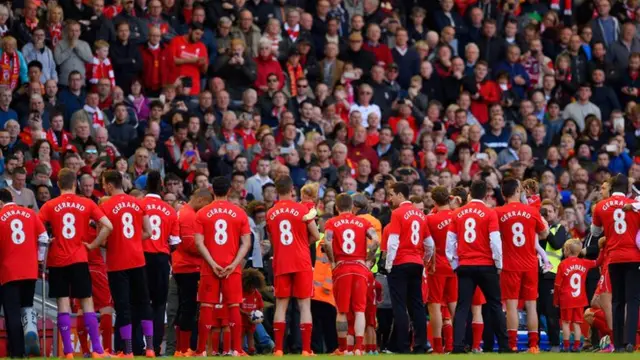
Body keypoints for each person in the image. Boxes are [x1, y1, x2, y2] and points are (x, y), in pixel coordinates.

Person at [38, 168, 114, 358]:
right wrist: (94, 244)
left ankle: (68, 352)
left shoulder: (49, 205)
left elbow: (38, 231)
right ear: (76, 184)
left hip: (57, 260)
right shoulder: (86, 203)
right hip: (80, 258)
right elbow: (108, 226)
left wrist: (49, 240)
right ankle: (97, 350)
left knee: (63, 304)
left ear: (58, 184)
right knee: (87, 303)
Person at [445, 179, 509, 353]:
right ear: (487, 194)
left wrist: (455, 264)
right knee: (495, 304)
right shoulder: (489, 213)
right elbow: (495, 241)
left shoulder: (457, 214)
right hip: (486, 265)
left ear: (469, 194)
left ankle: (457, 346)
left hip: (465, 265)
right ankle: (504, 346)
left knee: (462, 306)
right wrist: (499, 263)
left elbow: (450, 243)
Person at [97, 170, 154, 357]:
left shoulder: (105, 206)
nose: (103, 188)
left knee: (123, 306)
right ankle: (151, 348)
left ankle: (127, 351)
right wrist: (133, 242)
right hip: (138, 259)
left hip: (117, 262)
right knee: (144, 302)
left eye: (104, 184)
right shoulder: (138, 203)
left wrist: (111, 242)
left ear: (110, 185)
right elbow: (149, 231)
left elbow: (103, 237)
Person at [194, 176, 252, 356]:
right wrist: (234, 264)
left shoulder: (202, 213)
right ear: (228, 191)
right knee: (234, 305)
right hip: (231, 267)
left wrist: (211, 263)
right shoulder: (240, 213)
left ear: (212, 190)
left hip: (209, 267)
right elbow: (246, 243)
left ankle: (201, 350)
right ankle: (237, 349)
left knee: (206, 306)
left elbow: (198, 243)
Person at [265, 175, 320, 356]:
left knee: (281, 305)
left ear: (276, 191)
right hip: (301, 260)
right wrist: (304, 243)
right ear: (292, 190)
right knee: (304, 305)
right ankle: (306, 349)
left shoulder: (270, 213)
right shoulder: (302, 209)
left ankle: (279, 349)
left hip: (281, 261)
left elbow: (273, 240)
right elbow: (316, 235)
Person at [495, 178, 550, 353]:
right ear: (518, 191)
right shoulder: (532, 211)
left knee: (511, 306)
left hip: (509, 264)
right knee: (531, 305)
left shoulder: (498, 212)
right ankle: (533, 345)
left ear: (503, 193)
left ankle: (512, 344)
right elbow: (544, 233)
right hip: (530, 264)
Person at [323, 193, 379, 355]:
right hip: (360, 267)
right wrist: (368, 260)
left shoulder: (332, 222)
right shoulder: (363, 221)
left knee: (342, 310)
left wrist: (333, 262)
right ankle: (358, 348)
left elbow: (327, 241)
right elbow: (375, 240)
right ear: (352, 206)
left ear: (336, 207)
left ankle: (343, 348)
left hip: (342, 267)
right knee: (360, 310)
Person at [382, 182, 434, 353]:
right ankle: (420, 345)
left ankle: (402, 346)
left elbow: (393, 242)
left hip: (400, 263)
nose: (390, 199)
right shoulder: (420, 215)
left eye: (392, 195)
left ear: (400, 195)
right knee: (417, 306)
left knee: (399, 306)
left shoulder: (397, 213)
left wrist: (389, 265)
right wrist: (423, 259)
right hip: (416, 263)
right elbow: (429, 244)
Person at [592, 174, 640, 352]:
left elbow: (595, 232)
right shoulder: (634, 205)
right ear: (626, 188)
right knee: (633, 301)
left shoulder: (600, 206)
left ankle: (618, 343)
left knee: (617, 301)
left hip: (613, 257)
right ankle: (630, 341)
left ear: (611, 186)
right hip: (634, 257)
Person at [0, 188, 48, 357]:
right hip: (30, 270)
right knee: (26, 308)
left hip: (9, 271)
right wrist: (40, 260)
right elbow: (43, 238)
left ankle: (18, 351)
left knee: (12, 312)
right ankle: (31, 333)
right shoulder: (30, 213)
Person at [140, 171, 180, 354]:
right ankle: (154, 346)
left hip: (139, 258)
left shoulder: (138, 205)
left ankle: (138, 345)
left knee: (140, 302)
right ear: (162, 185)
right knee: (159, 304)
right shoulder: (170, 210)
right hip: (161, 260)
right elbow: (175, 242)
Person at [172, 188, 212, 356]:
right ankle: (184, 348)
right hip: (189, 267)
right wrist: (210, 248)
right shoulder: (188, 215)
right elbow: (189, 244)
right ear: (201, 200)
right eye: (206, 205)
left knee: (185, 307)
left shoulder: (183, 213)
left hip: (183, 266)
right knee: (189, 308)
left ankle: (181, 348)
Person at [425, 186, 457, 354]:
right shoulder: (458, 216)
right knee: (454, 305)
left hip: (437, 266)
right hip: (456, 266)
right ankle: (455, 344)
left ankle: (438, 346)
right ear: (449, 198)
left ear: (434, 201)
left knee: (435, 306)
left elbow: (427, 244)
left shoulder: (430, 219)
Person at [554, 239, 598, 352]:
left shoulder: (562, 264)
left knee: (565, 322)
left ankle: (566, 346)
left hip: (566, 299)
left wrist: (555, 300)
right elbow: (598, 262)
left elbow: (557, 285)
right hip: (580, 299)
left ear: (567, 250)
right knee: (577, 323)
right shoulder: (584, 262)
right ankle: (576, 347)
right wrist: (602, 249)